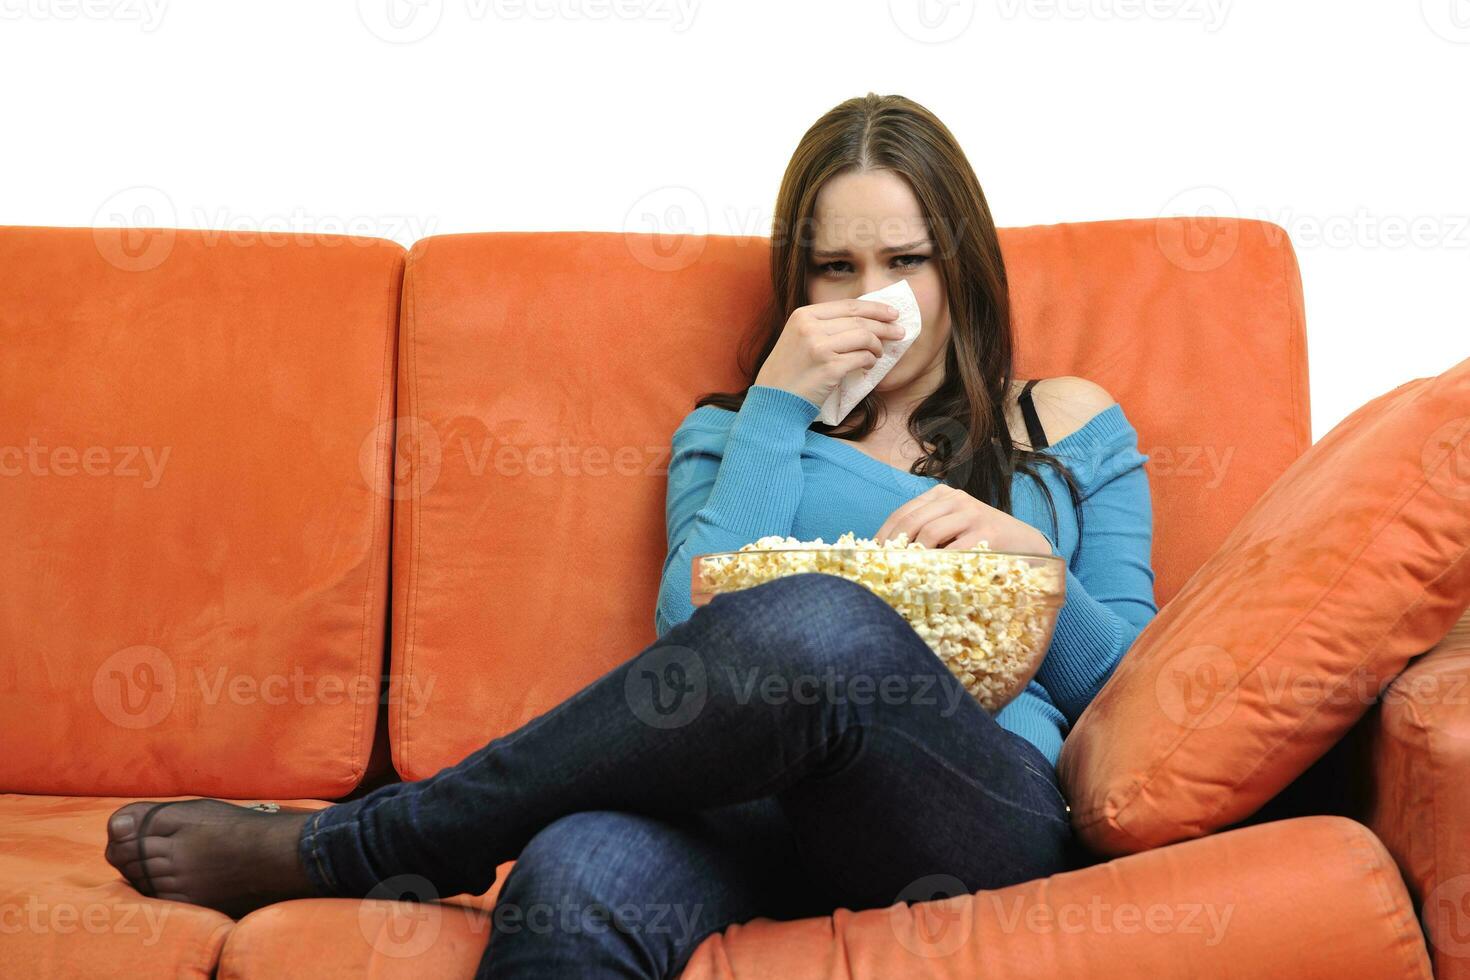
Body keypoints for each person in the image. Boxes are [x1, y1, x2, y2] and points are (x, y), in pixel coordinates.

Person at [103, 92, 1158, 978]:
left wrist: (1035, 570)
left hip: (965, 803)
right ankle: (418, 842)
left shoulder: (1063, 422)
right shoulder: (735, 429)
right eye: (834, 267)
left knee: (833, 623)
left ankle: (375, 842)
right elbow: (689, 625)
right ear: (796, 282)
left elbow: (1136, 686)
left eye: (906, 260)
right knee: (571, 880)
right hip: (745, 809)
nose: (873, 296)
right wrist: (778, 406)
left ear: (961, 266)